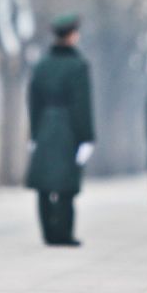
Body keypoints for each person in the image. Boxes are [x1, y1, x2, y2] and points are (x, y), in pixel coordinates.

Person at [25, 14, 95, 246]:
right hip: (68, 126)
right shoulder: (78, 65)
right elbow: (82, 104)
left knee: (45, 184)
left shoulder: (42, 65)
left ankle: (48, 232)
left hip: (44, 124)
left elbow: (33, 102)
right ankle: (63, 233)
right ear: (72, 35)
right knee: (66, 184)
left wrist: (33, 133)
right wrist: (86, 137)